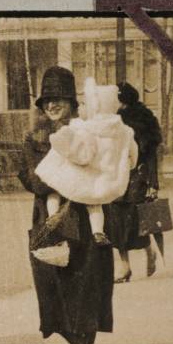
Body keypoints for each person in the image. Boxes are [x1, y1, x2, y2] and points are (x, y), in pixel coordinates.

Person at [18, 66, 114, 344]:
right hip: (49, 226)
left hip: (88, 230)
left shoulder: (91, 133)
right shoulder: (33, 139)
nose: (52, 106)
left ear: (72, 103)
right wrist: (70, 173)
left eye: (59, 99)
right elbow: (35, 181)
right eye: (47, 101)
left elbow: (108, 171)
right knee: (55, 303)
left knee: (85, 304)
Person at [35, 77, 138, 246]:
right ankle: (98, 232)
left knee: (54, 188)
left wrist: (63, 144)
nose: (80, 107)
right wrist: (129, 165)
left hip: (85, 178)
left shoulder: (87, 129)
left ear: (94, 109)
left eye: (84, 104)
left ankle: (52, 217)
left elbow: (83, 156)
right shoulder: (124, 131)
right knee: (95, 205)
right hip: (107, 182)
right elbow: (132, 153)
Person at [108, 82, 163, 283]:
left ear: (122, 100)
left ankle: (150, 252)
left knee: (134, 220)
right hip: (118, 174)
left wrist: (152, 182)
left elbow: (150, 154)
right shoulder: (114, 120)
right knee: (115, 220)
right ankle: (125, 268)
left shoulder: (143, 119)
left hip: (138, 175)